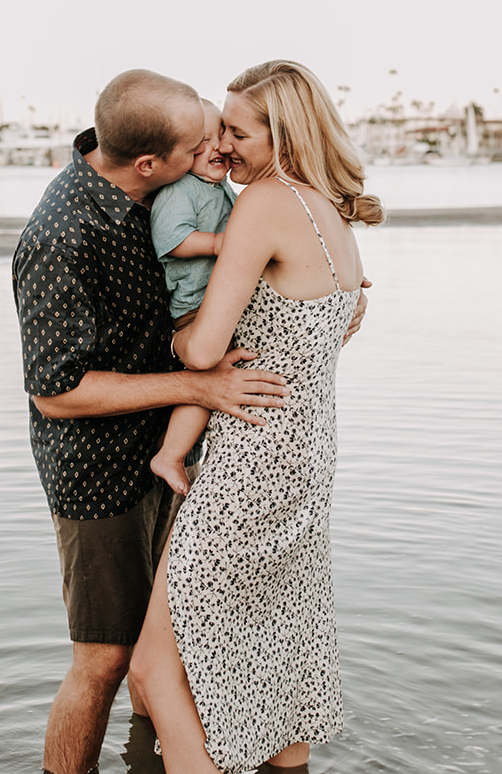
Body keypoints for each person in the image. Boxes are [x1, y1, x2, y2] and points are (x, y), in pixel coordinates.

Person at [12, 69, 302, 774]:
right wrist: (198, 382)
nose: (216, 150)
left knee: (162, 648)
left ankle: (148, 758)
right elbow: (56, 392)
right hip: (98, 472)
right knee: (104, 659)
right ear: (149, 161)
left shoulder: (155, 188)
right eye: (199, 143)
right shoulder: (62, 235)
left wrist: (323, 298)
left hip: (167, 448)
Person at [128, 60, 384, 774]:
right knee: (280, 675)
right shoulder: (330, 210)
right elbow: (330, 326)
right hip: (307, 458)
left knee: (153, 670)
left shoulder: (264, 204)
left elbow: (208, 346)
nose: (225, 145)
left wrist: (178, 339)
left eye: (237, 132)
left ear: (283, 133)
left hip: (250, 460)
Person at [148, 98, 234, 497]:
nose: (218, 146)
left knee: (220, 378)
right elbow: (173, 239)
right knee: (204, 380)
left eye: (223, 134)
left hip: (219, 303)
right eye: (202, 142)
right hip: (194, 308)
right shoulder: (180, 190)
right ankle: (172, 453)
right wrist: (222, 243)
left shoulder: (220, 188)